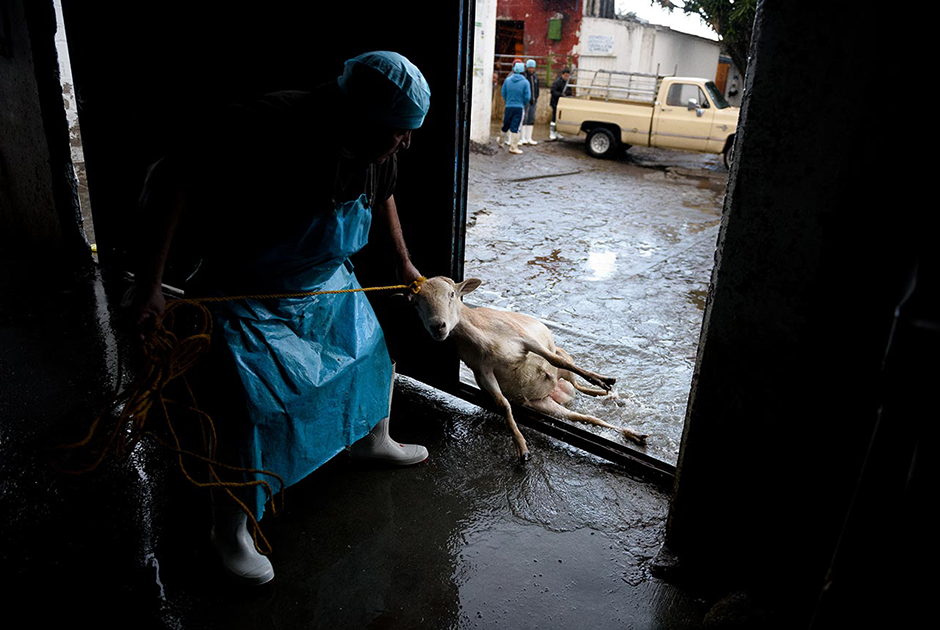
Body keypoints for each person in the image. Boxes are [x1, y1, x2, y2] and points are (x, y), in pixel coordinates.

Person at [127, 51, 432, 585]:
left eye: (410, 132)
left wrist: (403, 263)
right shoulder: (264, 126)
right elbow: (169, 179)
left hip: (324, 279)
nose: (406, 142)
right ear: (359, 115)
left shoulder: (381, 143)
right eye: (399, 132)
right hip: (250, 292)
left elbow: (382, 194)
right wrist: (151, 286)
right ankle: (231, 528)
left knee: (372, 358)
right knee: (249, 408)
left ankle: (370, 441)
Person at [497, 60, 530, 155]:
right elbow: (527, 97)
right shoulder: (525, 82)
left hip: (508, 106)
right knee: (515, 127)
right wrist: (522, 102)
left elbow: (503, 92)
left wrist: (508, 101)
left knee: (506, 124)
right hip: (519, 107)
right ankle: (513, 147)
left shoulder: (507, 80)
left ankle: (501, 141)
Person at [520, 59, 540, 145]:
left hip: (533, 101)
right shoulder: (524, 76)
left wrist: (535, 97)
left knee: (531, 118)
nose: (531, 69)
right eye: (530, 67)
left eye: (533, 68)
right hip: (526, 101)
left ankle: (529, 137)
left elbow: (537, 89)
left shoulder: (535, 77)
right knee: (524, 118)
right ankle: (522, 137)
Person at [549, 67, 572, 141]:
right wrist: (561, 95)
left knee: (560, 118)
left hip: (563, 104)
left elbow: (570, 91)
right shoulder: (557, 82)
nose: (566, 77)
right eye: (565, 75)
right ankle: (552, 132)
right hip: (555, 102)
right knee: (554, 118)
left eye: (568, 76)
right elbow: (553, 91)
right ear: (562, 75)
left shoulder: (567, 83)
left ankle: (558, 132)